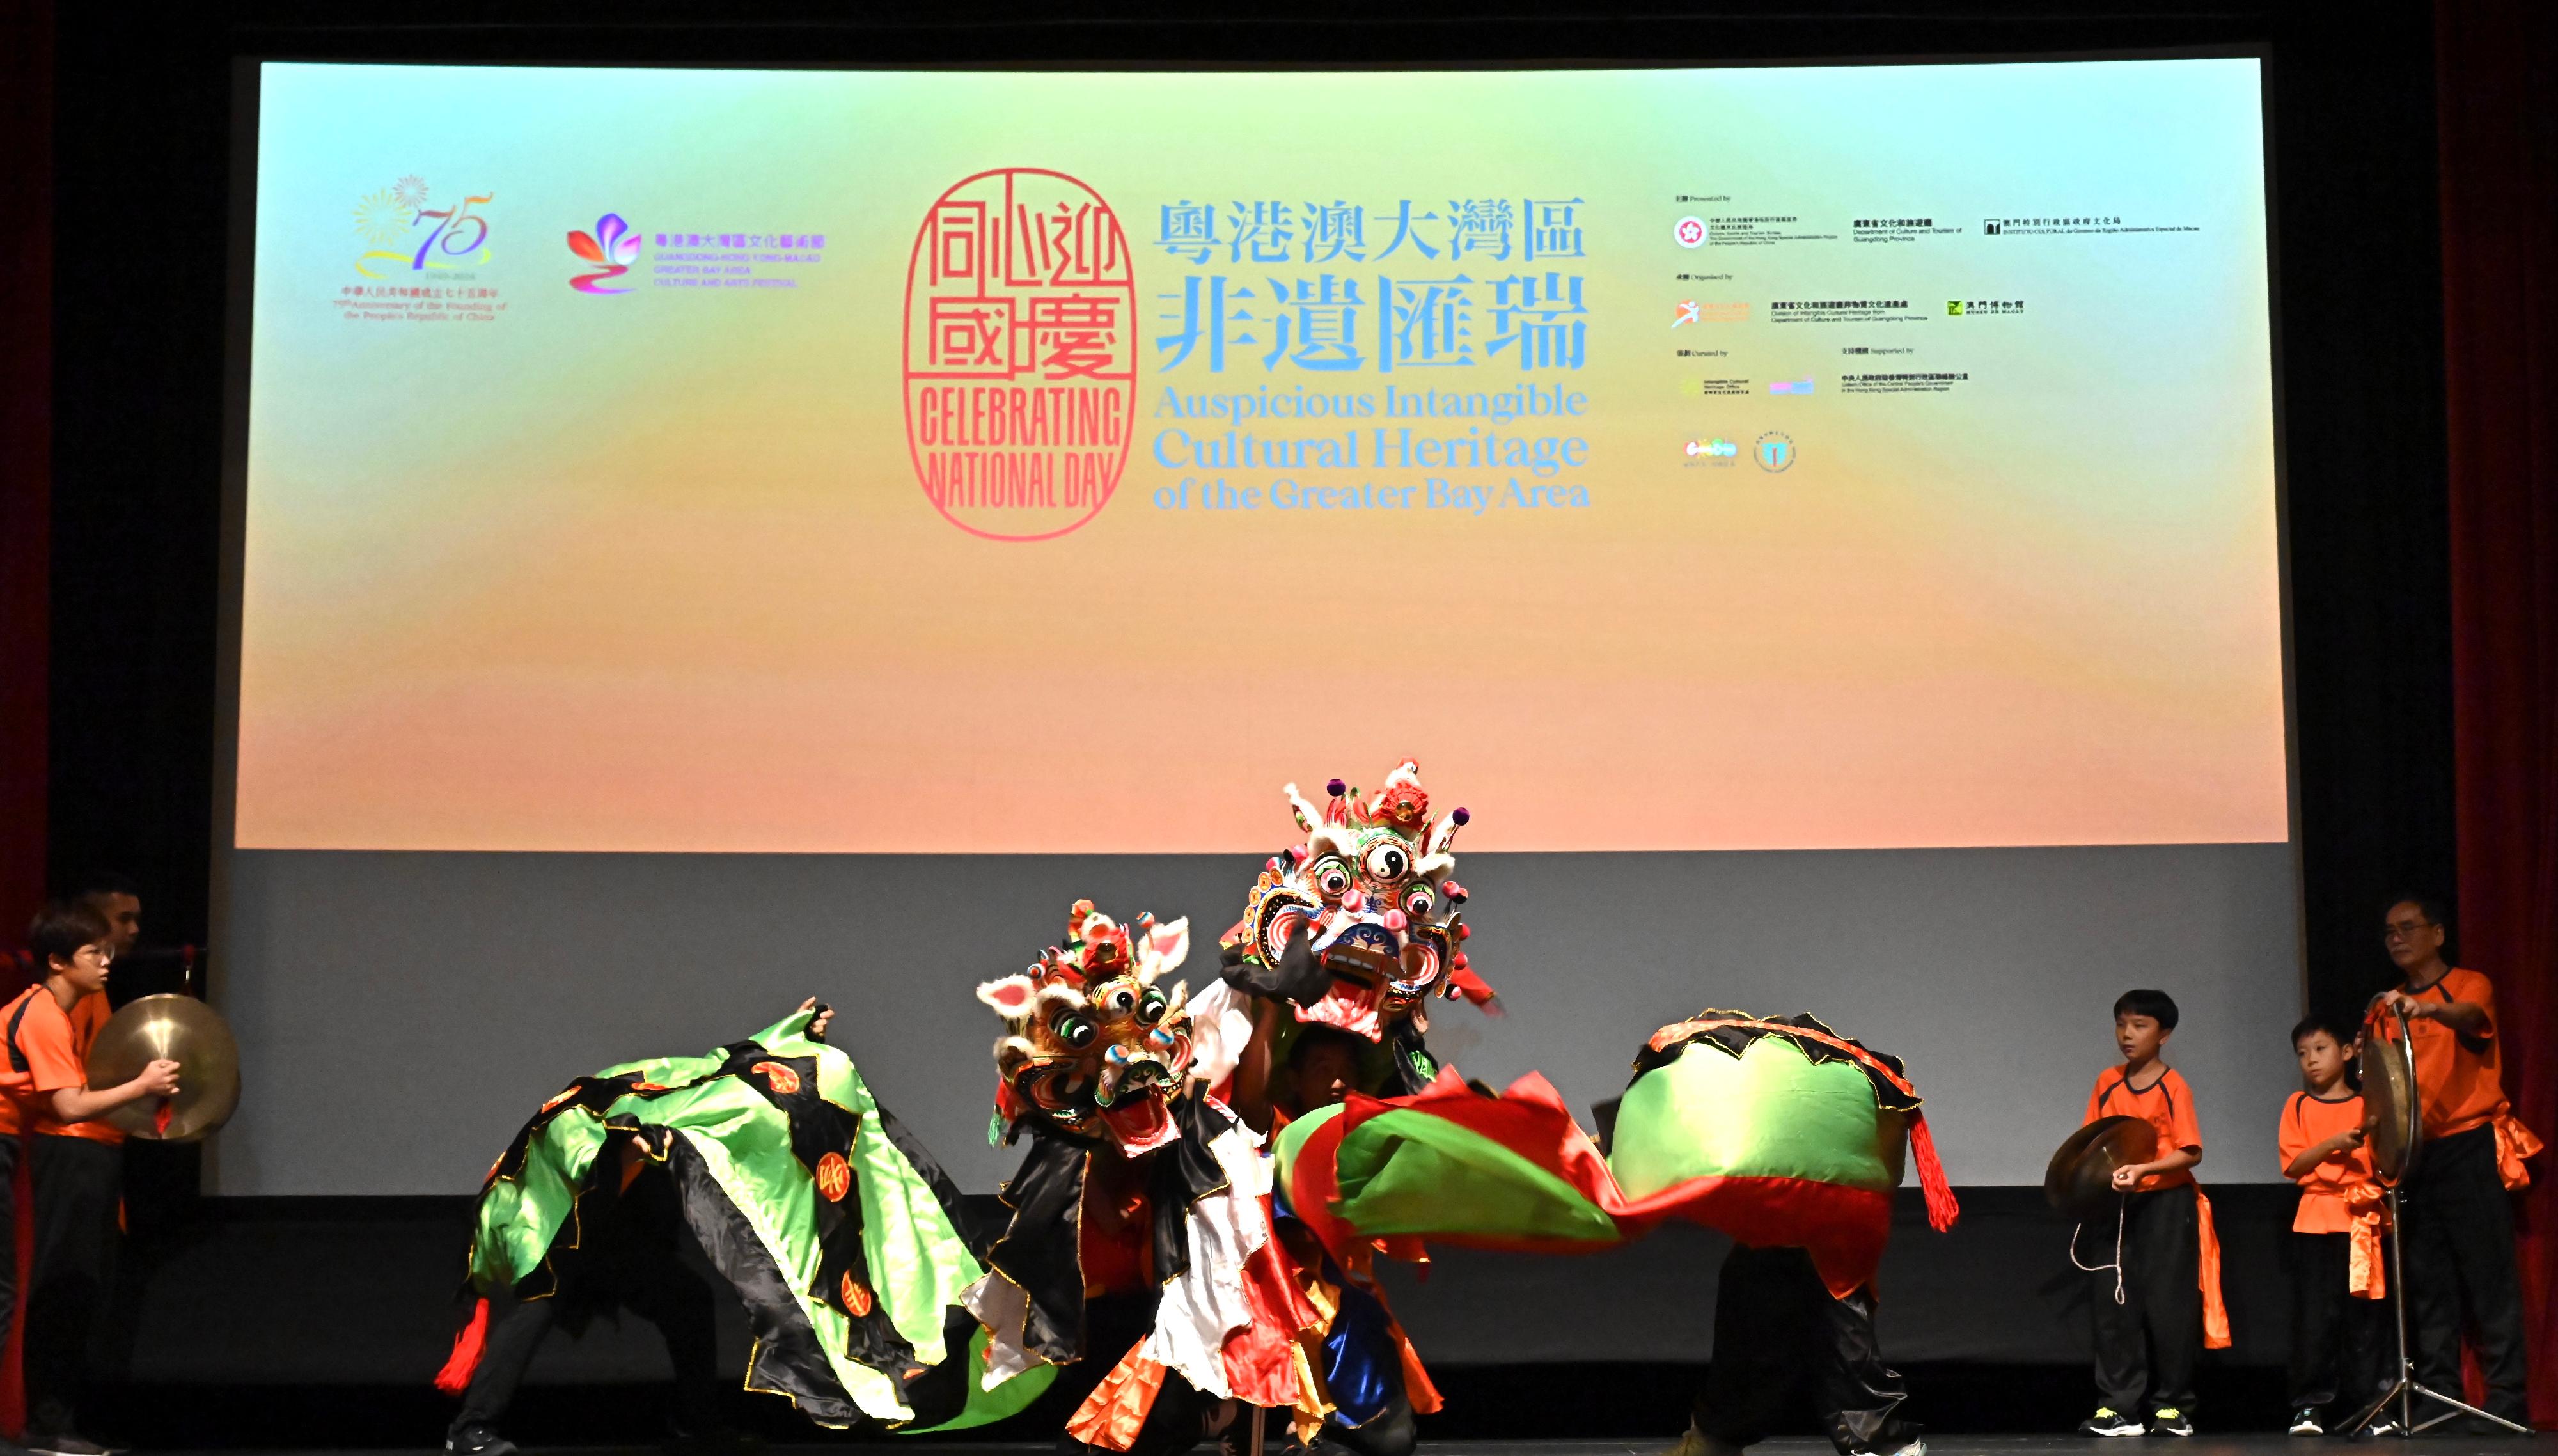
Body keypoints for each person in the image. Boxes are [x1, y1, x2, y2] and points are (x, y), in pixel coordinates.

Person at [3, 901, 181, 1456]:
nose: (106, 962)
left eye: (107, 952)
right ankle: (40, 1427)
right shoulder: (45, 1015)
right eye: (92, 953)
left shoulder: (55, 1005)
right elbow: (71, 1105)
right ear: (57, 961)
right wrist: (142, 1083)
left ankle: (40, 1430)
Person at [2369, 896, 2540, 1429]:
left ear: (2438, 933)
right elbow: (2380, 1084)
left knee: (2488, 1276)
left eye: (2408, 928)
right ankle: (2440, 1396)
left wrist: (2430, 1009)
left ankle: (2506, 1395)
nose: (2397, 937)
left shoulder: (2468, 984)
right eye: (2389, 931)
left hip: (2467, 1145)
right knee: (2428, 1280)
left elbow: (2474, 1017)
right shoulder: (2383, 1008)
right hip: (2414, 1155)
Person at [2073, 989, 2224, 1438]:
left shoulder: (2172, 1085)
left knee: (2169, 1304)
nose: (2127, 1034)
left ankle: (2173, 1405)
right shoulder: (2108, 1081)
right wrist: (2101, 1175)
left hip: (2165, 1202)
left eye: (2139, 1025)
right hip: (2116, 1204)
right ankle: (2118, 1406)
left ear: (2164, 1034)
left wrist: (2144, 1169)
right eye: (2121, 1023)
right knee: (2114, 1303)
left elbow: (2190, 1151)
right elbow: (2092, 1141)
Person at [2275, 1014, 2384, 1436]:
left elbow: (2387, 1157)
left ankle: (2369, 1403)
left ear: (2346, 1052)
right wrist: (2333, 1144)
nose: (2311, 1060)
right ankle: (2309, 1404)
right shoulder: (2298, 1105)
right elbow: (2293, 1164)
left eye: (2320, 1049)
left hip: (2363, 1220)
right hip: (2316, 1219)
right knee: (2315, 1317)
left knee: (2365, 1315)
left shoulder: (2367, 1104)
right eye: (2302, 1053)